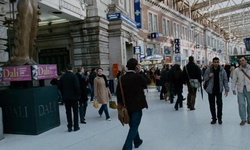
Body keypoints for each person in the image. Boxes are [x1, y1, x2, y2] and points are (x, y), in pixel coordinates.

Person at [116, 58, 150, 150]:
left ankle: (137, 141)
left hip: (126, 106)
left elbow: (118, 93)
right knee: (134, 126)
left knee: (133, 125)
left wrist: (120, 104)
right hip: (137, 105)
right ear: (136, 67)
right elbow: (148, 81)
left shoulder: (121, 78)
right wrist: (141, 72)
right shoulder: (138, 77)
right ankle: (127, 147)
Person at [204, 57, 229, 124]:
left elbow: (225, 80)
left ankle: (220, 118)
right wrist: (209, 76)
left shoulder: (222, 70)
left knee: (220, 104)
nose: (216, 63)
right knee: (212, 105)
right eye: (215, 62)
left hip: (219, 90)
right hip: (211, 90)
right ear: (213, 62)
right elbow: (205, 79)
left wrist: (226, 89)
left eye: (217, 62)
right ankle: (214, 118)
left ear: (219, 62)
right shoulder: (208, 70)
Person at [58, 64, 81, 132]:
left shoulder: (63, 77)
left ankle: (69, 126)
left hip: (66, 97)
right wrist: (78, 95)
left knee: (68, 112)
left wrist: (63, 93)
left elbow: (59, 86)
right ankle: (76, 126)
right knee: (75, 111)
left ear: (66, 69)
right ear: (72, 69)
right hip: (74, 97)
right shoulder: (74, 76)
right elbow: (77, 86)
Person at [231, 56, 250, 125]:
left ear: (246, 61)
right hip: (240, 89)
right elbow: (234, 80)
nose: (242, 62)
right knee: (241, 104)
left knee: (249, 104)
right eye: (240, 61)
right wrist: (233, 88)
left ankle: (249, 118)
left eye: (243, 60)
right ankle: (243, 119)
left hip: (249, 89)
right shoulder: (237, 70)